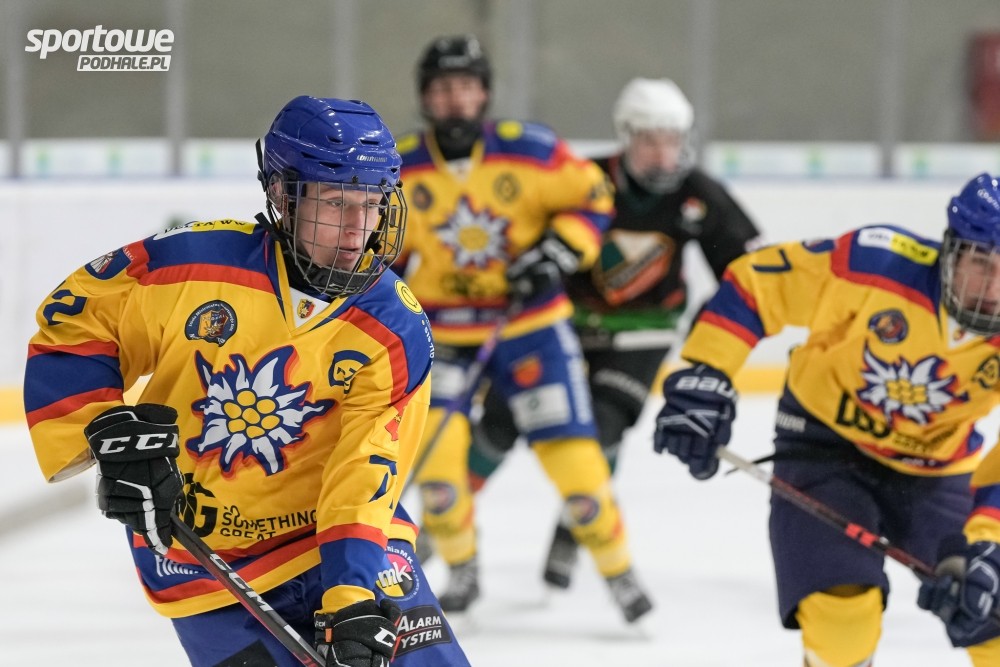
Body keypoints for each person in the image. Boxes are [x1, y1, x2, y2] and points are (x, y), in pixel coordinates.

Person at [23, 96, 471, 667]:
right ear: (284, 197)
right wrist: (107, 434)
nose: (357, 229)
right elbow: (72, 323)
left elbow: (365, 475)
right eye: (336, 203)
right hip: (203, 562)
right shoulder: (193, 266)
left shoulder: (394, 328)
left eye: (371, 203)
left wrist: (352, 597)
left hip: (340, 542)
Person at [653, 172, 1000, 666]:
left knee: (993, 612)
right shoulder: (873, 265)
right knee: (841, 615)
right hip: (825, 444)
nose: (993, 289)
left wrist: (990, 545)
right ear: (950, 251)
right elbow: (758, 283)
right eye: (981, 263)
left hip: (939, 469)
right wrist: (707, 371)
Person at [465, 77, 762, 591]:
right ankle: (449, 514)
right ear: (626, 136)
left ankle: (573, 528)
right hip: (564, 326)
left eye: (672, 140)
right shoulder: (586, 180)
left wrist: (714, 320)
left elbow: (748, 269)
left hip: (643, 335)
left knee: (603, 426)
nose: (663, 154)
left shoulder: (699, 195)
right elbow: (533, 231)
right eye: (650, 141)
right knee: (502, 417)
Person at [396, 34, 651, 623]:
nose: (455, 100)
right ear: (425, 97)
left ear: (485, 93)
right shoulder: (399, 166)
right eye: (442, 89)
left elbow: (594, 196)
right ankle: (461, 566)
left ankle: (618, 570)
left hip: (530, 327)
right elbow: (380, 250)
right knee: (436, 469)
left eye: (466, 87)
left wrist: (559, 251)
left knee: (576, 464)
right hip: (439, 333)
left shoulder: (530, 151)